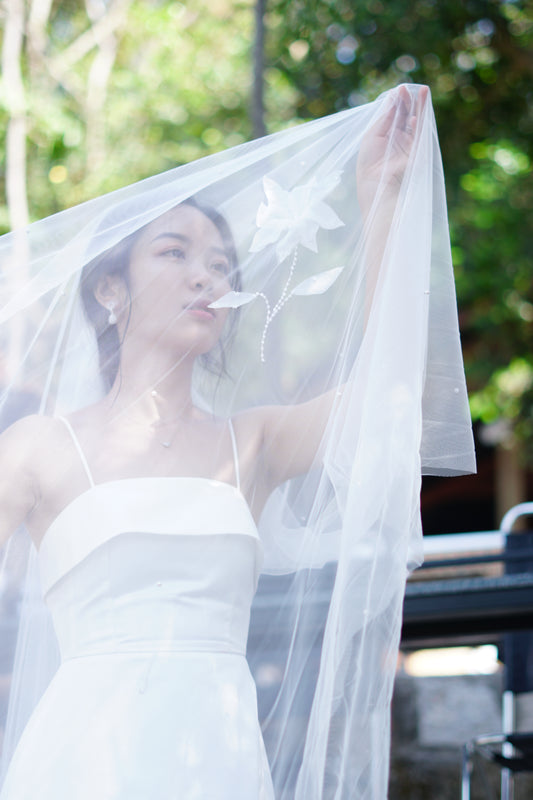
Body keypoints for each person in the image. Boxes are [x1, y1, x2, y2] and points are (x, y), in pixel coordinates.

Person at [0, 84, 475, 799]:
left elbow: (390, 392)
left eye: (222, 264)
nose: (206, 275)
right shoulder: (36, 446)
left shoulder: (254, 440)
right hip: (81, 759)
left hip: (217, 755)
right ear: (109, 290)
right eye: (175, 252)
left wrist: (379, 202)